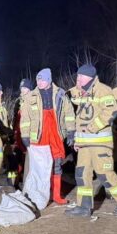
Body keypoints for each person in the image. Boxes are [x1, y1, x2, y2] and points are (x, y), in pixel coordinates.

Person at [66, 64, 117, 217]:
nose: (77, 79)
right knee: (82, 174)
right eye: (77, 76)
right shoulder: (81, 92)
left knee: (104, 174)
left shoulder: (103, 90)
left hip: (100, 143)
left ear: (89, 77)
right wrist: (77, 140)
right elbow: (79, 116)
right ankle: (83, 207)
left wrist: (92, 127)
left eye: (80, 77)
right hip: (84, 144)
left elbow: (111, 111)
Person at [24, 68, 75, 205]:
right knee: (40, 168)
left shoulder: (61, 94)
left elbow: (69, 114)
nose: (39, 82)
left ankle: (56, 195)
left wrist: (71, 132)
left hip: (56, 136)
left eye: (43, 80)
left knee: (57, 165)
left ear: (49, 80)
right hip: (39, 138)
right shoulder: (30, 97)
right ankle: (40, 195)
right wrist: (25, 135)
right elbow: (25, 118)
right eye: (38, 80)